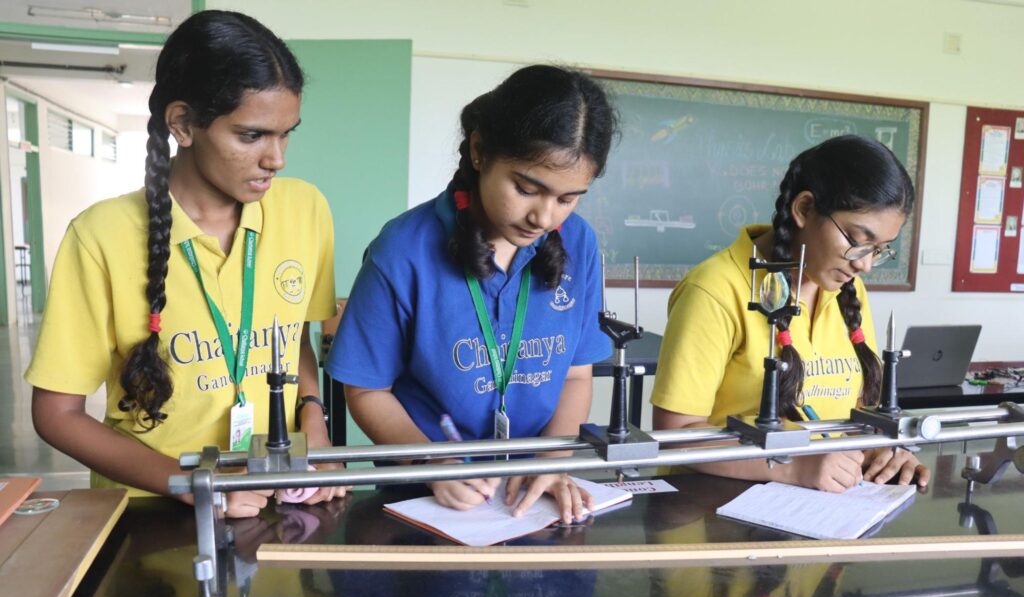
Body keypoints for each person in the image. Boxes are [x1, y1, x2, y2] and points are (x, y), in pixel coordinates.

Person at [26, 10, 344, 518]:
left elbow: (293, 340)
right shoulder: (100, 235)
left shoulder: (306, 210)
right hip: (153, 510)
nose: (277, 158)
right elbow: (57, 414)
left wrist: (314, 422)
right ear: (183, 124)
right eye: (251, 136)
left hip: (276, 497)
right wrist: (194, 484)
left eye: (287, 134)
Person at [326, 65, 616, 522]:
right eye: (526, 189)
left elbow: (577, 377)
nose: (544, 217)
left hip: (535, 493)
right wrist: (430, 462)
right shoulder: (403, 251)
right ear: (480, 151)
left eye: (567, 199)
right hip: (426, 494)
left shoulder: (578, 243)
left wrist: (554, 462)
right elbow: (365, 388)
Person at [651, 135, 930, 492]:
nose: (865, 265)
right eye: (859, 241)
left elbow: (859, 414)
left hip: (825, 506)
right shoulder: (715, 290)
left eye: (880, 250)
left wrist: (882, 452)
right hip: (709, 508)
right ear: (804, 209)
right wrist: (790, 467)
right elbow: (674, 436)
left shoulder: (848, 290)